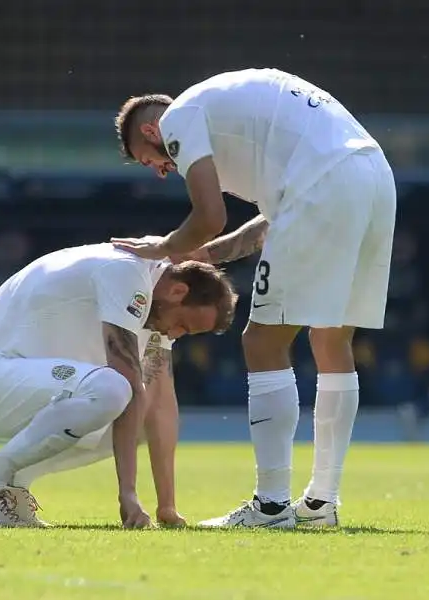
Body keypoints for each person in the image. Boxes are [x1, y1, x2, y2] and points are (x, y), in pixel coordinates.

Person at [112, 68, 397, 528]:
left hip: (325, 185)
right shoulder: (230, 117)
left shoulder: (181, 117)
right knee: (331, 339)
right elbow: (276, 217)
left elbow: (210, 216)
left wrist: (163, 247)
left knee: (262, 342)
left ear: (151, 131)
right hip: (374, 177)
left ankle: (270, 506)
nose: (161, 170)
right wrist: (215, 252)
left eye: (150, 159)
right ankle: (322, 503)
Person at [0, 242, 238, 529]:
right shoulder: (128, 274)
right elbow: (130, 386)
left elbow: (160, 406)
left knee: (136, 414)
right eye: (183, 325)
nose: (175, 333)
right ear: (178, 291)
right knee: (112, 389)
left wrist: (167, 506)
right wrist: (128, 495)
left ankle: (12, 487)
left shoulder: (158, 299)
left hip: (20, 384)